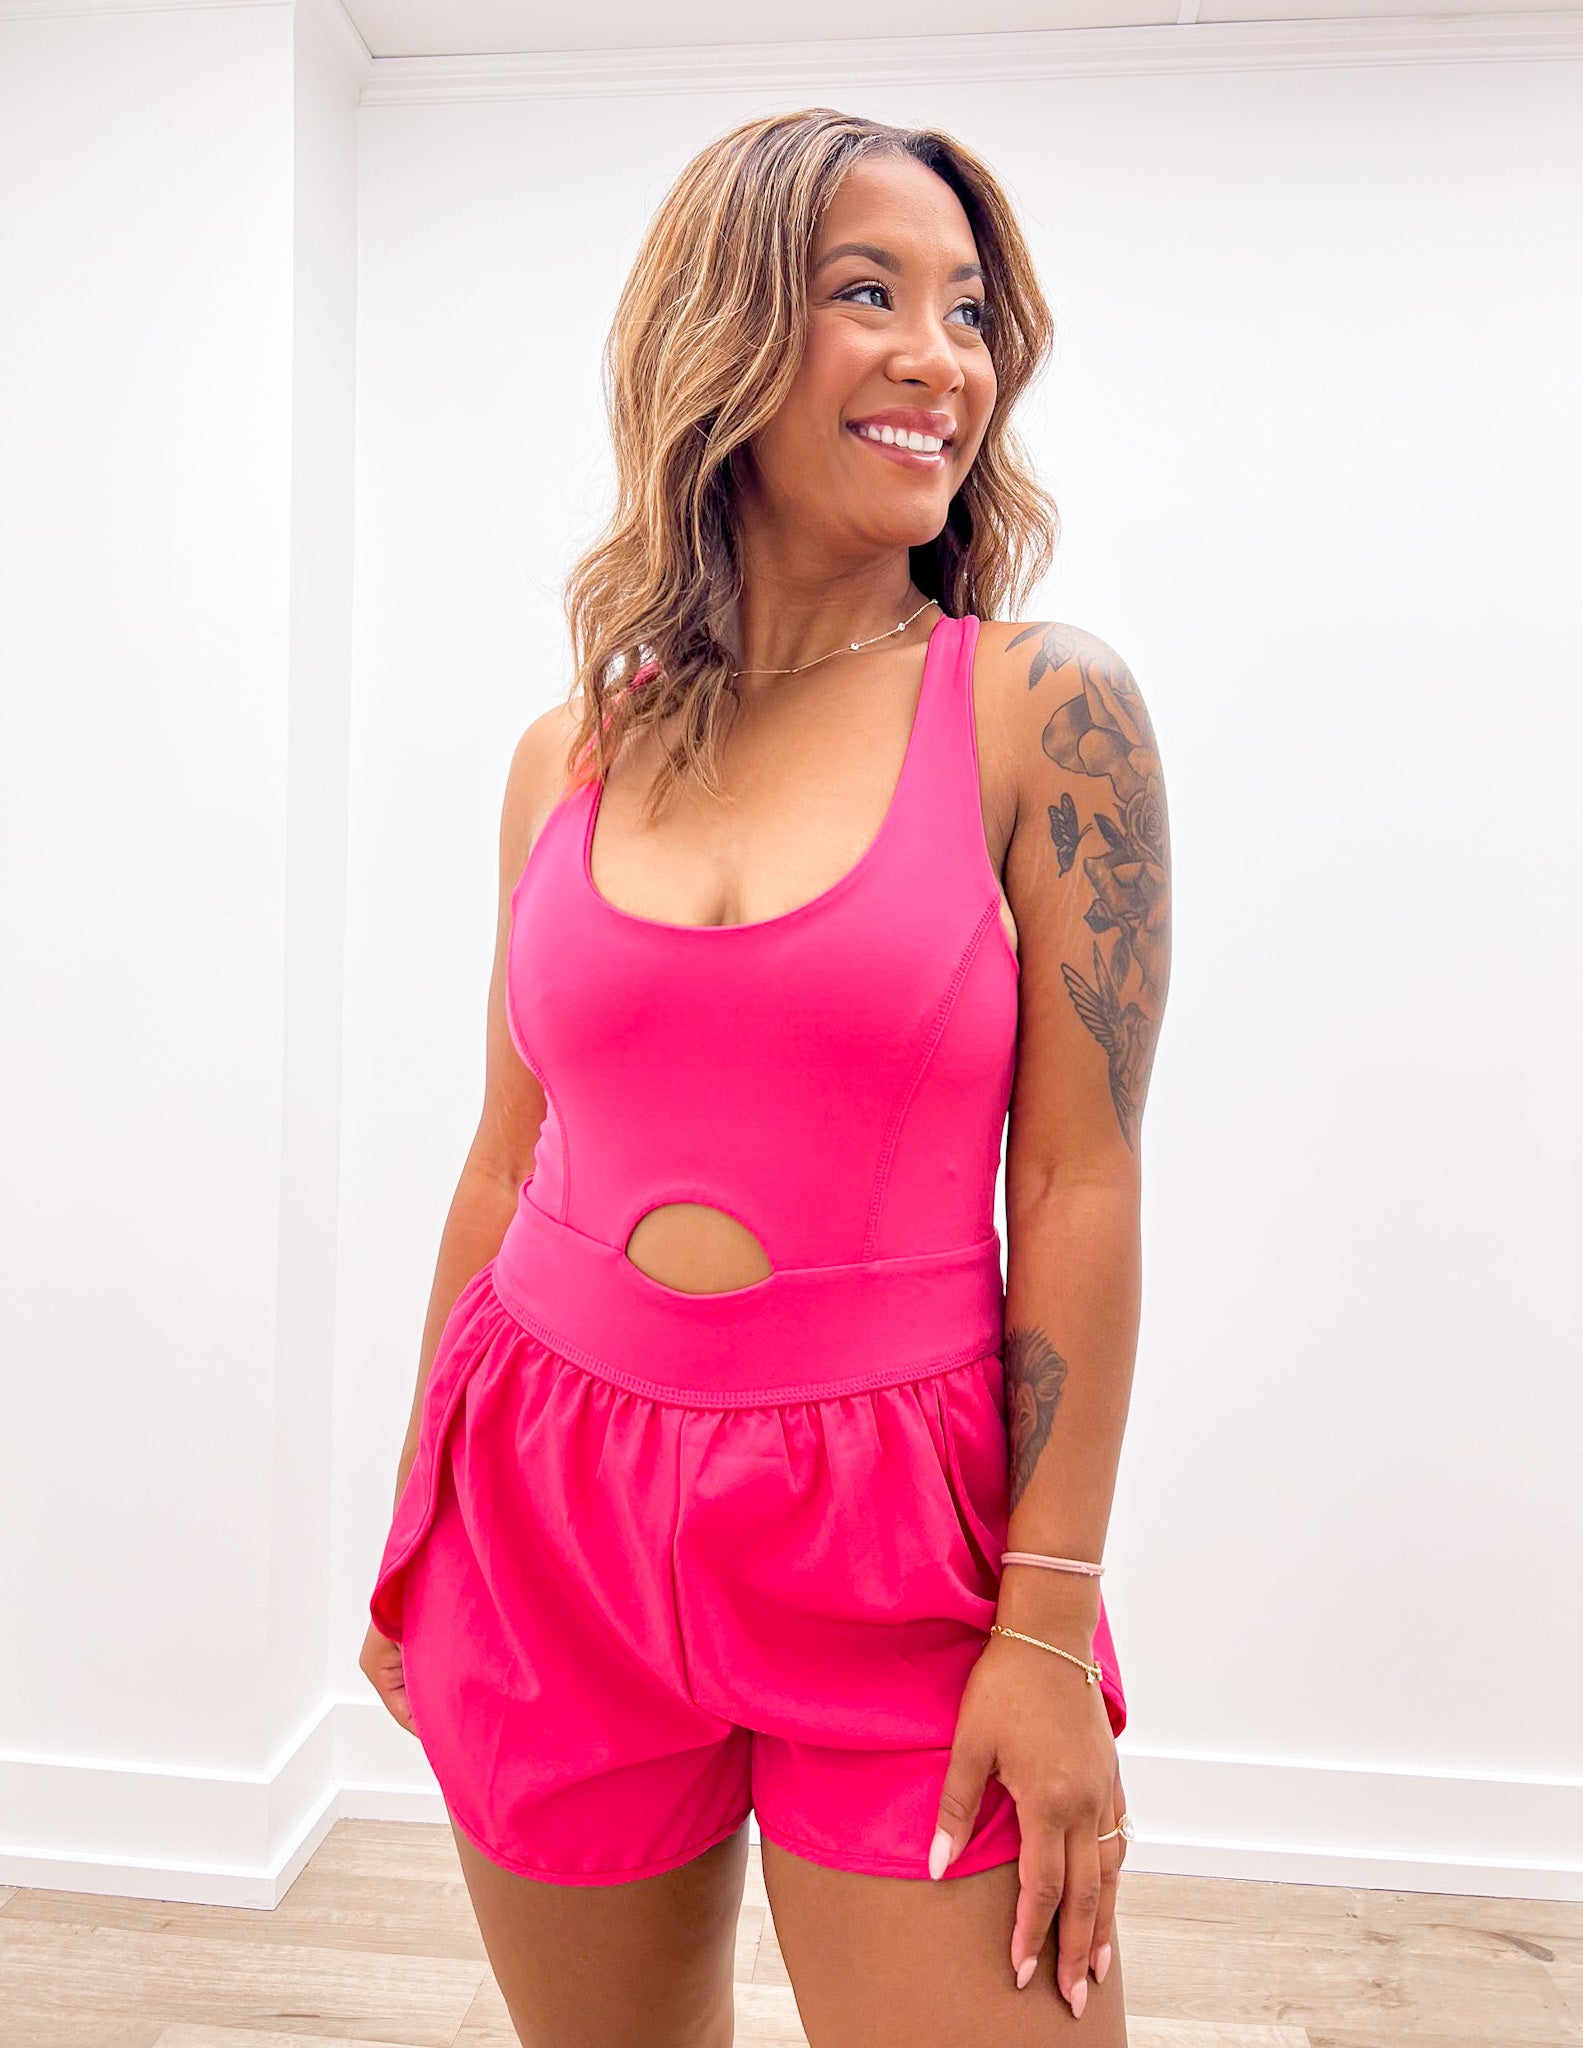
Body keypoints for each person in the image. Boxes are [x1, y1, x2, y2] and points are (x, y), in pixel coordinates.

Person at [360, 106, 1171, 2048]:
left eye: (970, 312)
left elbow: (1078, 1184)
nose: (940, 357)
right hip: (544, 1501)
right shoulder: (569, 752)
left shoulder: (1039, 710)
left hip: (895, 1529)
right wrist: (417, 1525)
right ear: (719, 335)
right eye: (869, 293)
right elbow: (504, 1162)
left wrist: (1047, 1623)